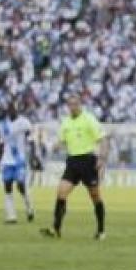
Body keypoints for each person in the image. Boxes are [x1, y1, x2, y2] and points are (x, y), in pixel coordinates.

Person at [40, 95, 108, 239]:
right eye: (70, 105)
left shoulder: (89, 119)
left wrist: (102, 158)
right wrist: (52, 146)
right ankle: (55, 229)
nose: (72, 107)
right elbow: (61, 141)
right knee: (61, 192)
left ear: (80, 105)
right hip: (72, 162)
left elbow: (102, 139)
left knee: (95, 196)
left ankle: (101, 231)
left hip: (88, 161)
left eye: (75, 104)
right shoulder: (66, 122)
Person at [0, 102, 35, 223]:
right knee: (7, 187)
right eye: (9, 108)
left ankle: (29, 207)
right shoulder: (2, 125)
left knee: (20, 185)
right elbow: (1, 144)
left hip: (20, 159)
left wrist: (33, 157)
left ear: (17, 109)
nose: (11, 110)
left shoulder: (24, 122)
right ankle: (11, 216)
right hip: (7, 161)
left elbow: (31, 140)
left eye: (13, 108)